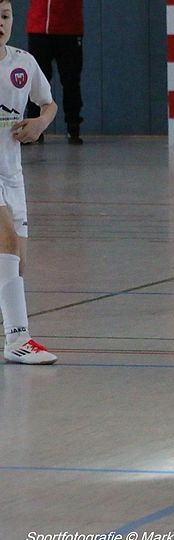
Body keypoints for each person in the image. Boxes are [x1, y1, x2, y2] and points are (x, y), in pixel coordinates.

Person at [0, 0, 58, 364]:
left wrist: (39, 123)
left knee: (17, 262)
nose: (0, 23)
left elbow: (48, 104)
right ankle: (18, 339)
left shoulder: (23, 62)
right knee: (5, 241)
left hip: (12, 173)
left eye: (5, 16)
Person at [25, 0, 83, 144]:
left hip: (69, 29)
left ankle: (73, 127)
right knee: (36, 80)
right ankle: (33, 128)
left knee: (71, 80)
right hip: (39, 27)